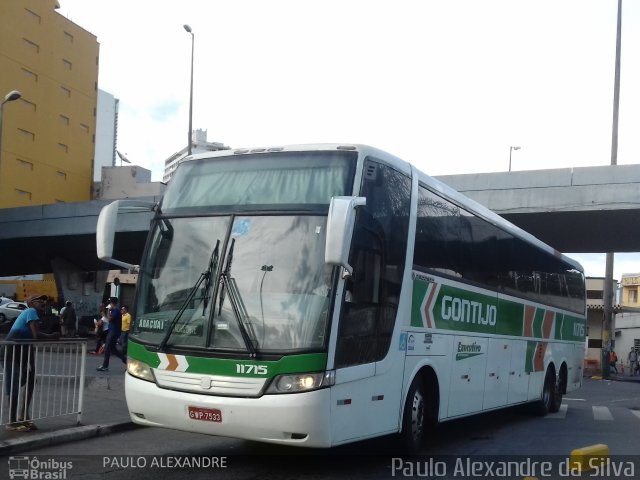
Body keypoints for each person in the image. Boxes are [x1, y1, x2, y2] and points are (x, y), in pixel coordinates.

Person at [1, 294, 60, 431]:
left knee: (30, 380)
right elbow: (36, 336)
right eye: (39, 300)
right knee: (14, 383)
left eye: (43, 300)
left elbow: (31, 340)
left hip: (22, 351)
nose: (43, 302)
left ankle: (23, 416)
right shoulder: (30, 312)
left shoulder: (36, 317)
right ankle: (12, 421)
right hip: (11, 351)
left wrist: (32, 366)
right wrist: (52, 336)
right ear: (31, 303)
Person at [97, 297, 126, 371]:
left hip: (114, 332)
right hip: (112, 331)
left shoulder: (116, 310)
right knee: (113, 349)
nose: (109, 304)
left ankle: (105, 366)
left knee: (107, 348)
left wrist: (108, 311)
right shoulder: (114, 310)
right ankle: (125, 359)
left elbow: (109, 319)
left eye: (110, 303)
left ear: (112, 303)